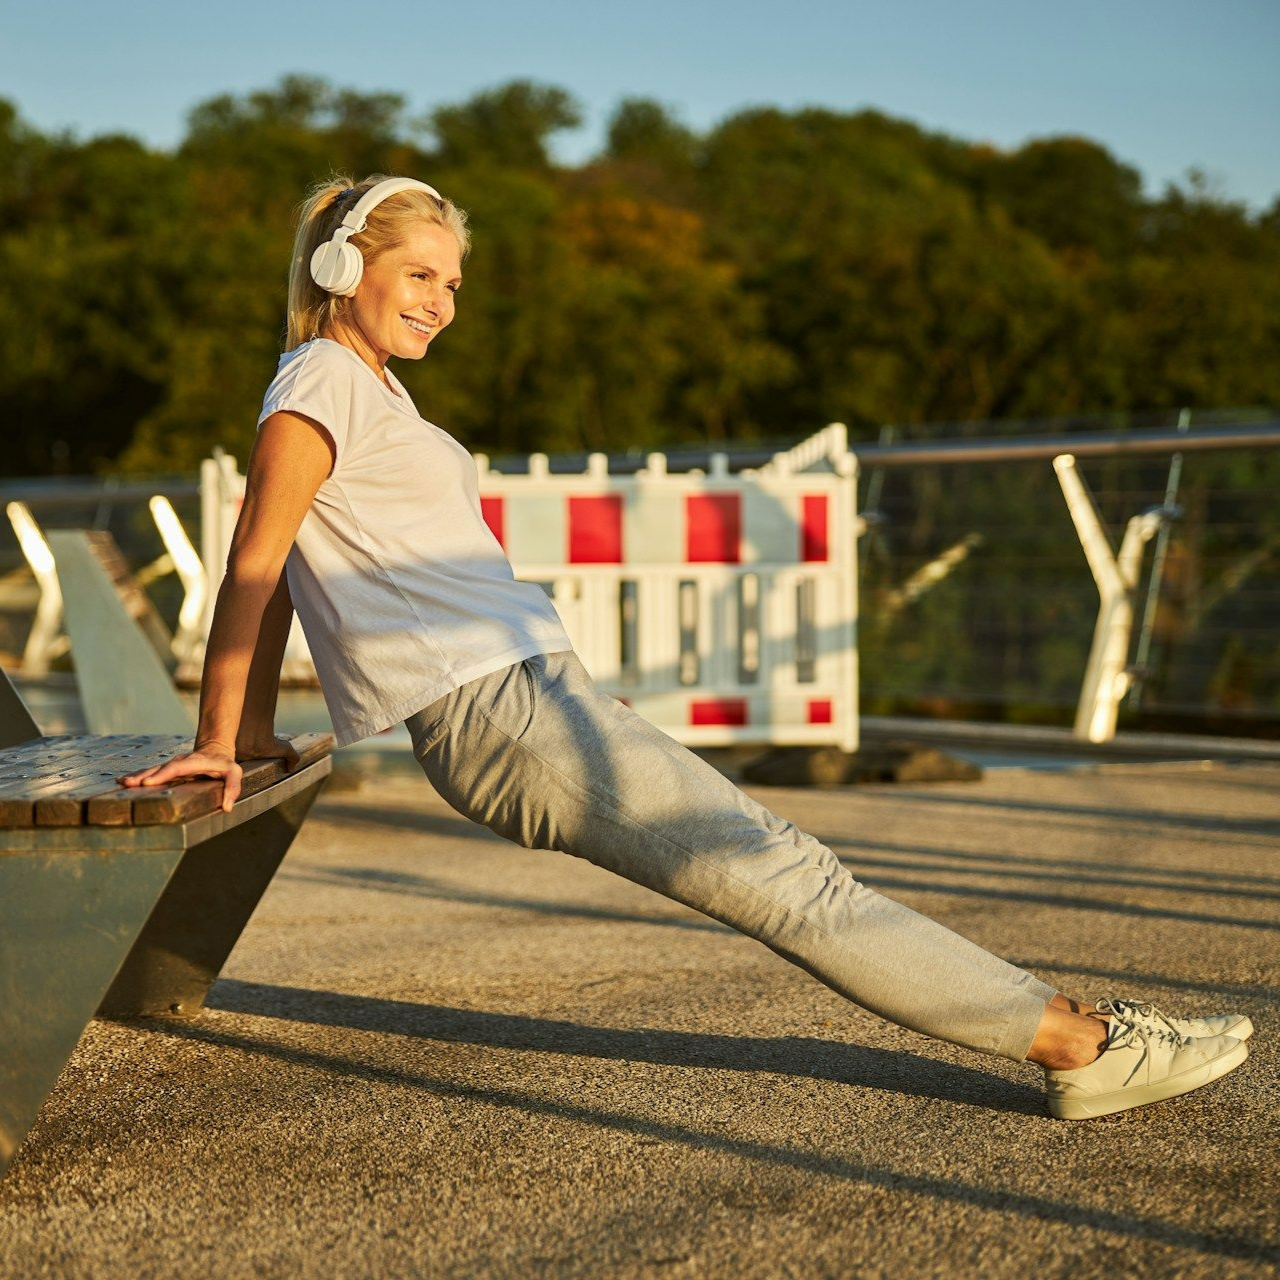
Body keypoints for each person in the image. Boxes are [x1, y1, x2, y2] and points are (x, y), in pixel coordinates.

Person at [120, 174, 1252, 1121]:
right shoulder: (320, 378)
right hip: (498, 714)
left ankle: (1073, 1035)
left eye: (452, 283)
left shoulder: (368, 389)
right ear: (337, 271)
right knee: (791, 881)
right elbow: (257, 564)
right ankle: (1077, 1044)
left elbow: (281, 574)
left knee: (785, 869)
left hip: (524, 701)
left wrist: (252, 728)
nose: (441, 302)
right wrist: (224, 735)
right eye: (419, 274)